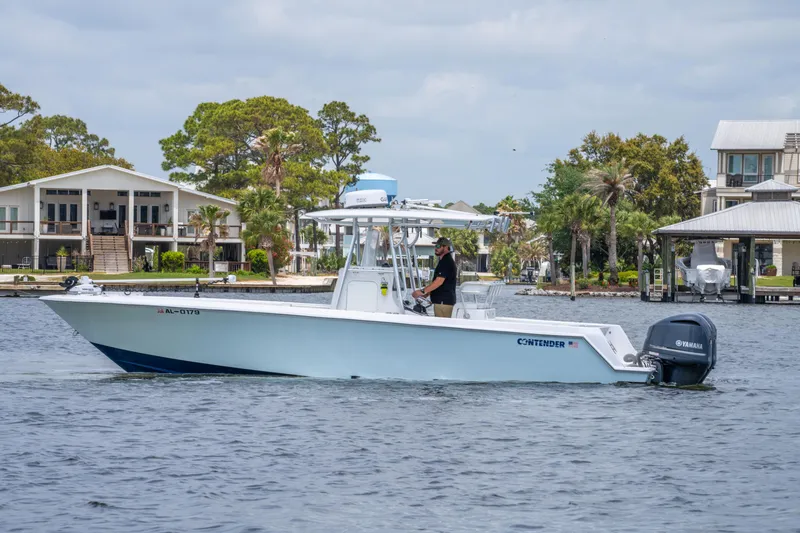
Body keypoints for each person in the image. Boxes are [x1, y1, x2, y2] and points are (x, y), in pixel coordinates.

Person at [411, 237, 457, 318]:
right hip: (442, 301)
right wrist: (427, 293)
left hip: (443, 302)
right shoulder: (444, 261)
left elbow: (439, 281)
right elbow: (437, 282)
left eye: (438, 246)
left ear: (445, 247)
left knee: (442, 328)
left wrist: (422, 291)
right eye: (435, 246)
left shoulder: (446, 262)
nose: (436, 248)